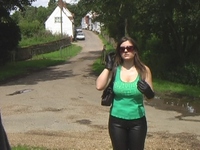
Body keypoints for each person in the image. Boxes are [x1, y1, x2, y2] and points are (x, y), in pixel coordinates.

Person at [96, 36, 154, 150]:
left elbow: (151, 98)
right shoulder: (115, 69)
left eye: (129, 48)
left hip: (137, 121)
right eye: (122, 49)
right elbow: (99, 86)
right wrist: (108, 66)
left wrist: (148, 92)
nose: (126, 51)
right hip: (116, 121)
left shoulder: (144, 70)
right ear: (119, 51)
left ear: (135, 50)